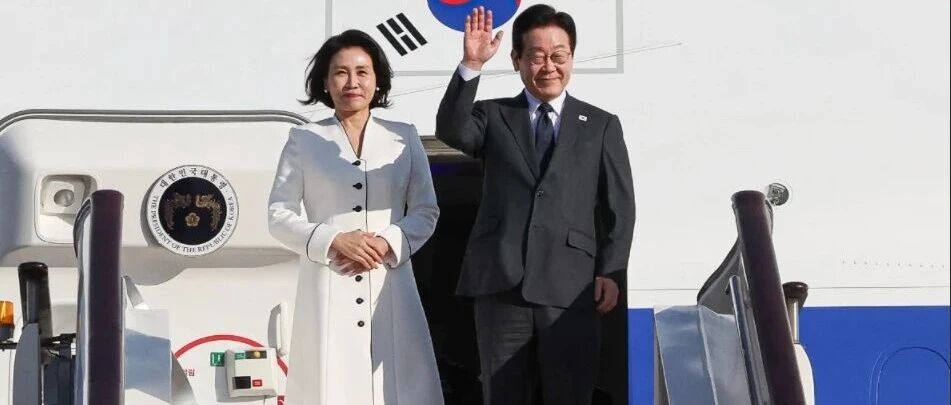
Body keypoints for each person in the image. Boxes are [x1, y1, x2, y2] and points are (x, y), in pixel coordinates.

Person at [435, 5, 636, 405]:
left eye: (559, 55)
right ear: (517, 60)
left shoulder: (600, 125)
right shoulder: (494, 115)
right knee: (503, 394)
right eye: (537, 56)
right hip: (501, 284)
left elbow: (620, 207)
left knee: (569, 394)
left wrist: (611, 271)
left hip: (572, 286)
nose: (549, 66)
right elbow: (452, 130)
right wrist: (471, 64)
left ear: (571, 58)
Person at [268, 29, 443, 405]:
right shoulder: (303, 139)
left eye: (362, 72)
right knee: (330, 384)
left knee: (399, 386)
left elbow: (426, 210)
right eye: (341, 72)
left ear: (377, 80)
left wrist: (386, 242)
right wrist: (332, 239)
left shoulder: (404, 137)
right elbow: (279, 214)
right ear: (325, 82)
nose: (352, 82)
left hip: (390, 281)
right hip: (329, 280)